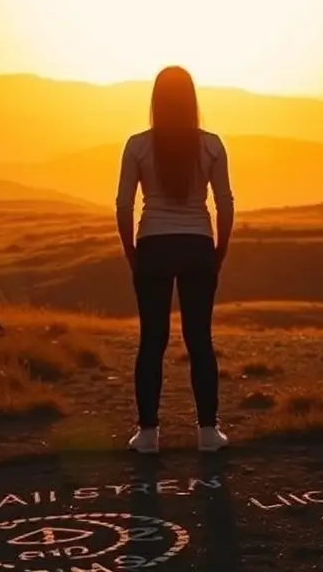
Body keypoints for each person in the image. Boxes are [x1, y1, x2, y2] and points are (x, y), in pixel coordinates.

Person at [116, 65, 234, 454]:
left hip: (153, 245)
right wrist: (219, 251)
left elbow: (123, 205)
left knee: (152, 340)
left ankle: (148, 434)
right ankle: (208, 432)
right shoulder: (212, 145)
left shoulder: (137, 146)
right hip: (198, 244)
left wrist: (132, 253)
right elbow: (225, 204)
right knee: (200, 340)